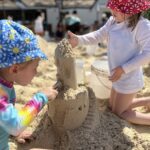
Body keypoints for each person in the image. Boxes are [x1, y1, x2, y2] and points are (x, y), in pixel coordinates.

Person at [68, 0, 150, 125]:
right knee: (112, 106)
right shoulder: (112, 21)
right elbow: (98, 35)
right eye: (112, 7)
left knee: (120, 113)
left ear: (131, 10)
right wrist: (79, 40)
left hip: (129, 77)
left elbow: (148, 53)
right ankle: (147, 101)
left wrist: (123, 69)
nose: (112, 11)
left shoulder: (141, 26)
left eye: (117, 8)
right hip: (116, 76)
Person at [0, 20, 58, 150]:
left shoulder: (5, 83)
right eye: (34, 67)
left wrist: (12, 133)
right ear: (14, 69)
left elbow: (5, 119)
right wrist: (41, 97)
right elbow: (15, 124)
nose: (36, 72)